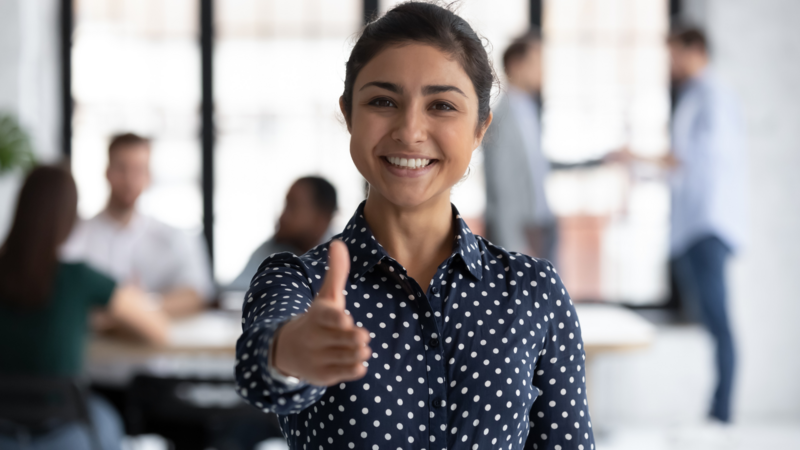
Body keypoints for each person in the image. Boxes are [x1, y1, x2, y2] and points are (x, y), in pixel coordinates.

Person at [234, 4, 594, 450]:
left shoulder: (533, 290)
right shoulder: (299, 281)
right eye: (383, 101)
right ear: (348, 114)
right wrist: (289, 353)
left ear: (480, 128)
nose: (410, 131)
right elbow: (259, 373)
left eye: (441, 105)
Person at [0, 165, 169, 450]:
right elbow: (158, 330)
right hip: (64, 434)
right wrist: (102, 322)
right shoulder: (78, 278)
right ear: (68, 220)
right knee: (110, 420)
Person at [666, 27, 746, 423]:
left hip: (708, 224)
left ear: (694, 49)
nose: (671, 63)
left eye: (674, 54)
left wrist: (641, 159)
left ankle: (722, 414)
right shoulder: (696, 94)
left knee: (719, 322)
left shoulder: (713, 94)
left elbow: (694, 161)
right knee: (712, 323)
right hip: (696, 224)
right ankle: (717, 413)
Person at [61, 133, 215, 317]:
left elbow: (198, 293)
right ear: (107, 172)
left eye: (138, 170)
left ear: (148, 176)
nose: (129, 180)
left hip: (153, 342)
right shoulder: (76, 233)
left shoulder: (174, 236)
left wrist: (138, 309)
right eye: (121, 169)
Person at [483, 30, 557, 261]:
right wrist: (513, 248)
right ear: (516, 65)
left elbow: (537, 166)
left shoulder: (530, 110)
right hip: (519, 232)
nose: (543, 70)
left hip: (543, 223)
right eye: (537, 62)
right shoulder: (500, 117)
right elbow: (502, 186)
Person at [227, 176, 337, 291]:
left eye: (292, 206)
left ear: (321, 217)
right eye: (285, 205)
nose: (282, 217)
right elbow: (233, 294)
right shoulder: (269, 250)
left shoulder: (344, 260)